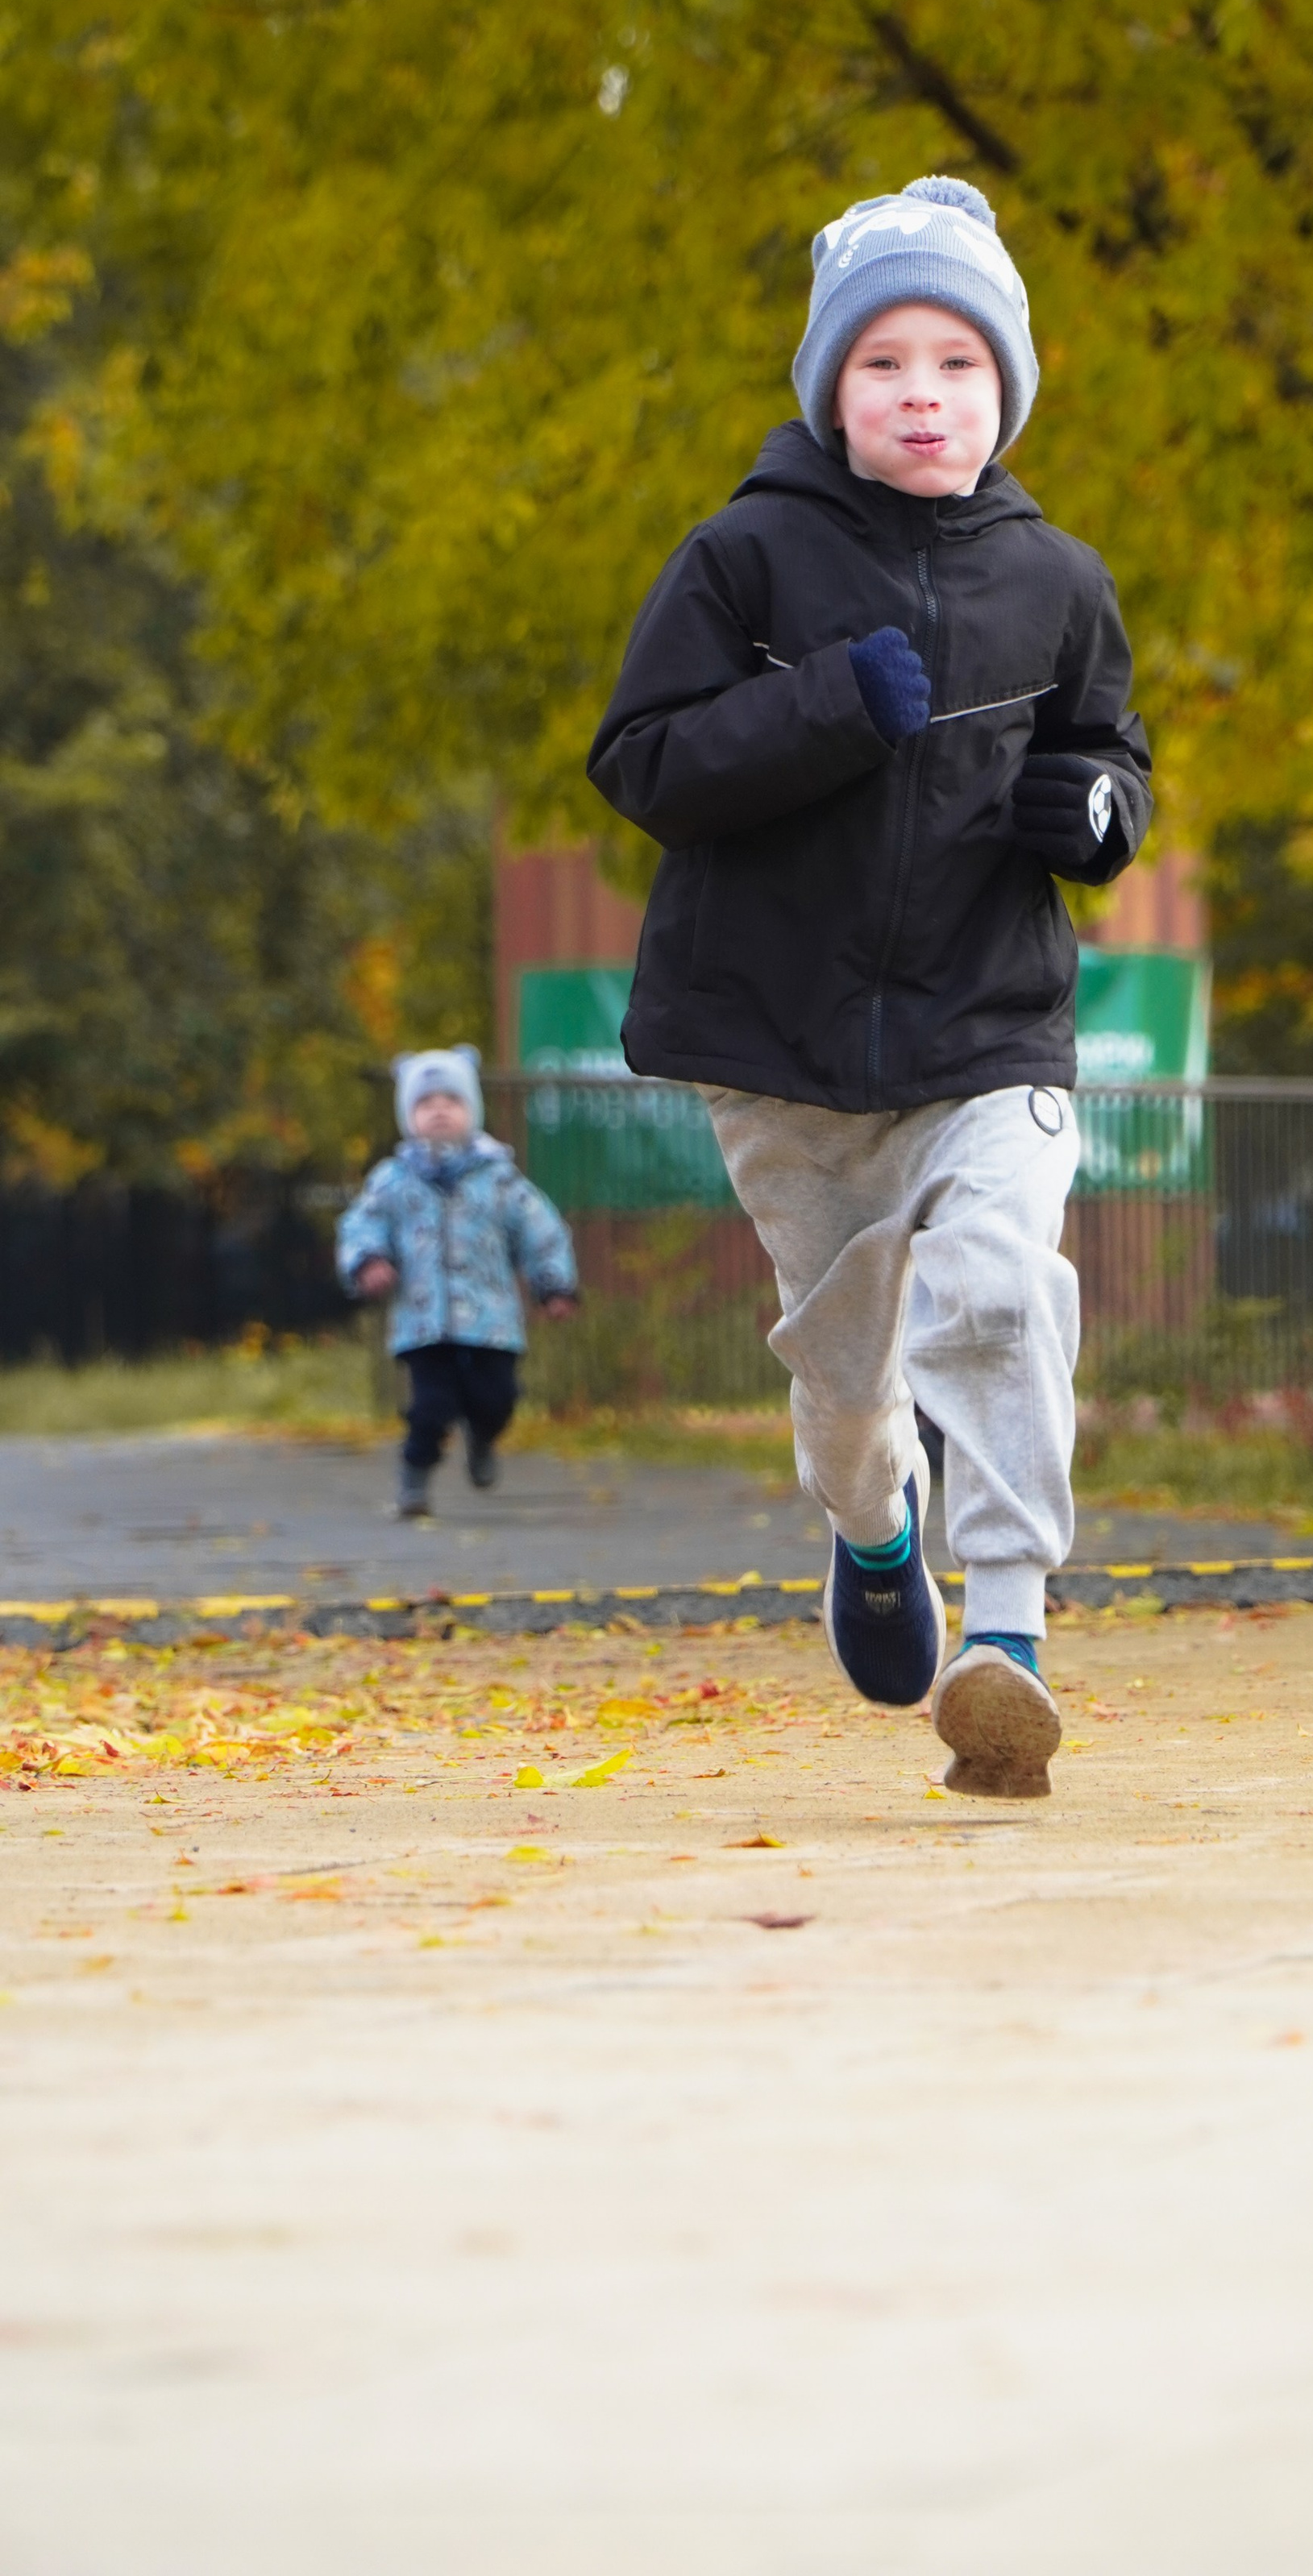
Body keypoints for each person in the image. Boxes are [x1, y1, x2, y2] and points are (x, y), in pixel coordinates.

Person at [588, 174, 1150, 1796]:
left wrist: (1098, 814)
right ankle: (871, 1523)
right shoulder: (745, 557)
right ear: (833, 388)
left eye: (957, 362)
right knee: (848, 1387)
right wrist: (827, 707)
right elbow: (641, 760)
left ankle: (1011, 1630)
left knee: (997, 1283)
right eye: (885, 361)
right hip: (783, 1051)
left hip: (988, 1029)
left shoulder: (1060, 580)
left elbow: (1105, 752)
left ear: (1007, 386)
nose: (922, 392)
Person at [337, 1045, 580, 1519]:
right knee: (432, 1405)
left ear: (473, 1110)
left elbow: (541, 1232)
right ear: (409, 1115)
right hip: (423, 1321)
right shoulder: (393, 1180)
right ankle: (414, 1475)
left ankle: (484, 1437)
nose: (440, 1110)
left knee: (497, 1399)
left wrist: (554, 1286)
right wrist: (368, 1261)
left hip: (492, 1319)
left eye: (452, 1100)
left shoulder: (500, 1179)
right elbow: (361, 1225)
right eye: (427, 1103)